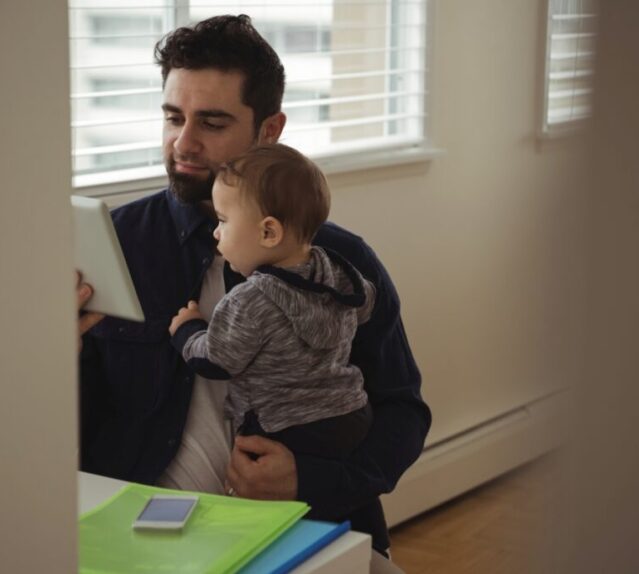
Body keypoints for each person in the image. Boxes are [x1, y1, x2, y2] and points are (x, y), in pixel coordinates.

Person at [78, 14, 430, 556]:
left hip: (307, 527)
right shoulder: (113, 243)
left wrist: (308, 480)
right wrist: (57, 350)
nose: (183, 143)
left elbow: (403, 412)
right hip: (140, 535)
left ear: (269, 131)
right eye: (174, 118)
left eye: (212, 123)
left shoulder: (343, 263)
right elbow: (72, 420)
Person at [168, 143, 375, 462]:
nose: (216, 234)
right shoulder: (339, 274)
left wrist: (188, 330)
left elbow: (219, 361)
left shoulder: (250, 299)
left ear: (268, 232)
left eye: (223, 221)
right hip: (349, 416)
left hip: (280, 429)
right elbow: (365, 307)